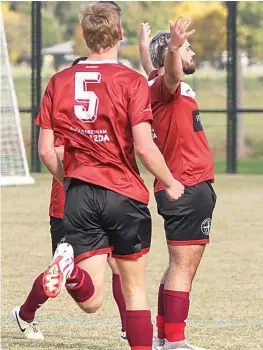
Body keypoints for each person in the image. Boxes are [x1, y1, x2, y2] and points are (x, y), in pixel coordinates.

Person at [30, 2, 184, 349]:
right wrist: (172, 182)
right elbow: (144, 148)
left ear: (85, 37)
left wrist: (69, 181)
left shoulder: (58, 81)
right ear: (120, 36)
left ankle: (70, 274)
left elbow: (44, 151)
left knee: (92, 300)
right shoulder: (131, 81)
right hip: (123, 194)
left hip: (80, 195)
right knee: (134, 291)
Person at [12, 57, 127, 342]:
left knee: (119, 264)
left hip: (101, 201)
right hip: (68, 207)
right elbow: (55, 152)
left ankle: (127, 327)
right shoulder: (65, 116)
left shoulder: (95, 116)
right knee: (69, 275)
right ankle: (26, 314)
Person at [140, 17, 217, 350]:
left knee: (178, 265)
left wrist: (147, 46)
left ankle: (163, 335)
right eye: (187, 48)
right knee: (184, 266)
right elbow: (170, 72)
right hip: (186, 186)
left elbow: (157, 68)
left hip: (184, 186)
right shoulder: (166, 87)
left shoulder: (153, 83)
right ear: (170, 56)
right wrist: (173, 45)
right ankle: (175, 341)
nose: (191, 51)